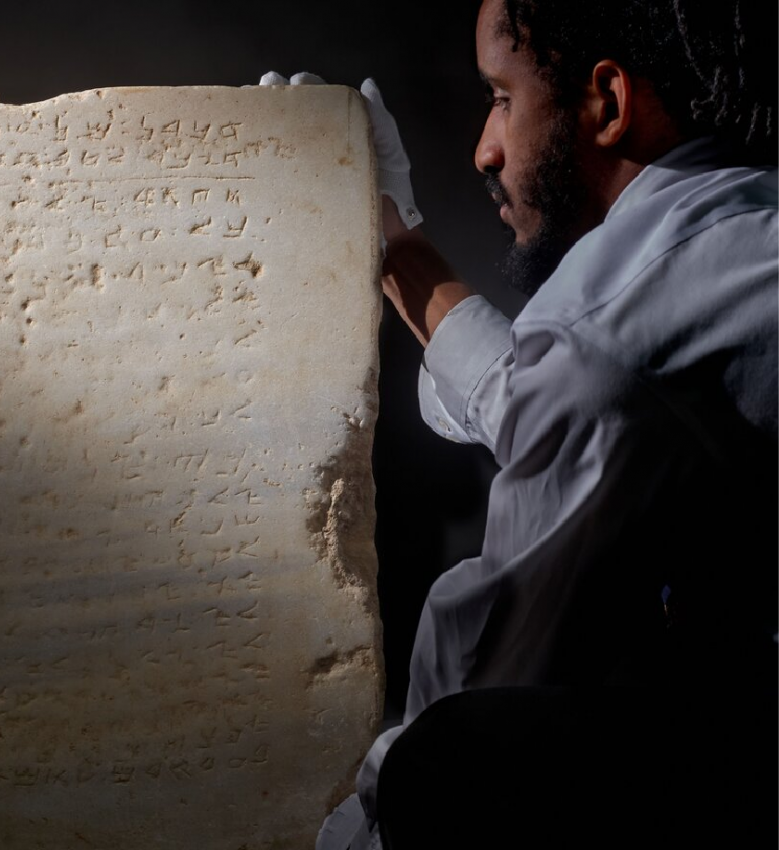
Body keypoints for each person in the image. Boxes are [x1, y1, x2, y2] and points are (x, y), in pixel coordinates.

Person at [274, 0, 779, 847]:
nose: (485, 148)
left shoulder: (606, 339)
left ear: (607, 103)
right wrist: (393, 236)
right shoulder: (736, 222)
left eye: (502, 98)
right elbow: (535, 393)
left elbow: (477, 689)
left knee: (447, 763)